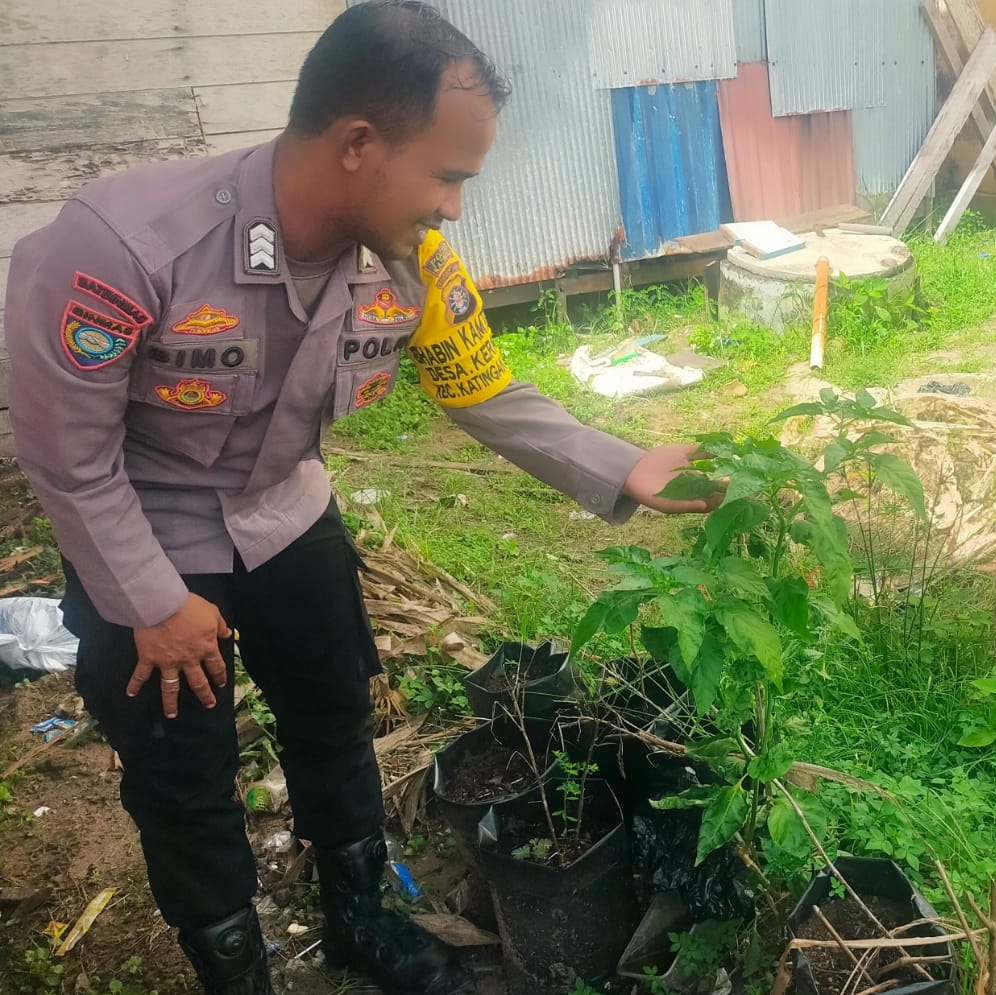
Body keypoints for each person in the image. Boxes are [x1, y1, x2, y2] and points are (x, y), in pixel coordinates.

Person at [2, 3, 714, 993]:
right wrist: (155, 605)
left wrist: (620, 462)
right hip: (143, 531)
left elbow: (481, 385)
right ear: (357, 145)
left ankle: (357, 920)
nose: (456, 208)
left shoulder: (411, 258)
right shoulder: (127, 244)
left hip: (285, 510)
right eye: (447, 175)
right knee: (185, 775)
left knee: (334, 720)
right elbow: (68, 459)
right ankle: (235, 969)